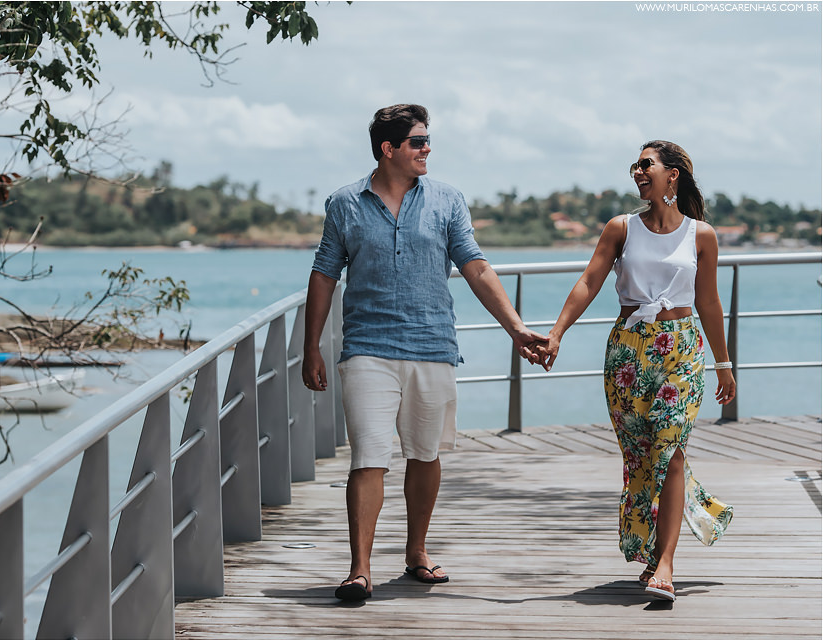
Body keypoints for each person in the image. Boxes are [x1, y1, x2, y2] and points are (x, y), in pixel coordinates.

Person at [302, 104, 546, 602]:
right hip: (367, 347)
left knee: (425, 453)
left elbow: (475, 267)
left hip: (433, 344)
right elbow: (324, 274)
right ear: (389, 149)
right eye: (418, 141)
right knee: (369, 454)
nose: (427, 148)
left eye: (428, 140)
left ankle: (416, 551)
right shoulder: (345, 203)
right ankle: (359, 570)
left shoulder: (447, 200)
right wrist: (311, 347)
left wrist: (516, 328)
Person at [535, 140, 736, 602]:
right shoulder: (621, 228)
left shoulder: (701, 234)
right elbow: (589, 281)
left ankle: (666, 564)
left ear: (673, 175)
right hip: (628, 352)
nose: (638, 172)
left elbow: (708, 301)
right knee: (642, 458)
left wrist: (723, 363)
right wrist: (557, 333)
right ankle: (656, 550)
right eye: (636, 166)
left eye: (647, 165)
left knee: (672, 449)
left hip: (682, 350)